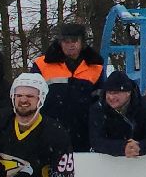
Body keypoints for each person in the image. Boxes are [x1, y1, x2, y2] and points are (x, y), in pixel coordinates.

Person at [31, 22, 105, 152]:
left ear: (82, 42)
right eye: (66, 41)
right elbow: (31, 97)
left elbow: (101, 102)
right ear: (60, 42)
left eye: (74, 40)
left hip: (83, 134)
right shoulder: (41, 64)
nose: (70, 45)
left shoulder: (96, 67)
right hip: (48, 130)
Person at [88, 71, 146, 158]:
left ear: (128, 93)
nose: (111, 97)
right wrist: (122, 147)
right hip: (107, 163)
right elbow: (96, 141)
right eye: (109, 92)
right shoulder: (98, 109)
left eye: (116, 93)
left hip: (142, 163)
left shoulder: (145, 108)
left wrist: (139, 147)